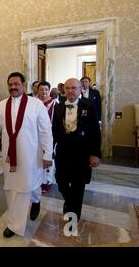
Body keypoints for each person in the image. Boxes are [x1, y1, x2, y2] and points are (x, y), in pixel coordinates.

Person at [0, 72, 53, 238]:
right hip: (10, 156)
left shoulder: (36, 104)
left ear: (24, 85)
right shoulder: (1, 105)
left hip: (31, 155)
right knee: (13, 187)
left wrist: (48, 154)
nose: (13, 87)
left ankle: (31, 207)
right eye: (10, 84)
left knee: (29, 185)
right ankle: (17, 221)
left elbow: (46, 131)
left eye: (16, 84)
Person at [52, 78, 101, 221]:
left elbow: (95, 132)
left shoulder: (89, 106)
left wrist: (95, 154)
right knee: (60, 181)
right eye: (67, 88)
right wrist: (48, 151)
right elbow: (55, 130)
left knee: (78, 186)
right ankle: (69, 201)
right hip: (63, 152)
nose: (70, 91)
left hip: (82, 153)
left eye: (74, 88)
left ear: (80, 89)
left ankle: (74, 216)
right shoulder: (58, 107)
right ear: (63, 90)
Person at [37, 81, 57, 193]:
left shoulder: (55, 104)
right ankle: (37, 179)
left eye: (46, 89)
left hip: (50, 135)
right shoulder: (34, 103)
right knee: (37, 156)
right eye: (41, 89)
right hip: (35, 135)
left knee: (48, 156)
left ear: (49, 91)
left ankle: (47, 181)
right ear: (38, 91)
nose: (43, 92)